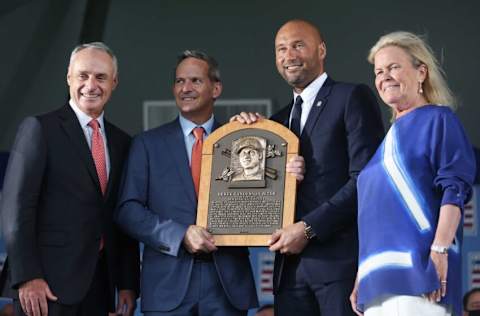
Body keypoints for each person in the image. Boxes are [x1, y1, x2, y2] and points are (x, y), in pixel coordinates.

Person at [232, 19, 384, 316]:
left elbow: (366, 180)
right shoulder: (274, 123)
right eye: (281, 49)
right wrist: (242, 135)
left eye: (298, 45)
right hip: (289, 274)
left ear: (322, 49)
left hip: (340, 268)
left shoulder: (351, 97)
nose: (289, 55)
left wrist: (309, 228)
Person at [115, 50, 260, 316]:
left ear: (216, 88)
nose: (186, 88)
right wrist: (180, 234)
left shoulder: (240, 141)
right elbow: (128, 211)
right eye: (180, 81)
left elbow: (265, 196)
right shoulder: (147, 144)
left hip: (227, 286)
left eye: (195, 81)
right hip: (167, 286)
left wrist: (259, 133)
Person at [0, 42, 140, 316]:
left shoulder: (122, 142)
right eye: (83, 75)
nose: (91, 85)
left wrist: (127, 283)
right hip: (45, 288)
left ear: (114, 82)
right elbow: (16, 208)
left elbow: (121, 217)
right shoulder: (39, 129)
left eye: (100, 77)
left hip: (100, 287)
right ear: (68, 78)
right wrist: (27, 277)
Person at [349, 31, 476, 316]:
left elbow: (454, 189)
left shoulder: (439, 119)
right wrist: (361, 274)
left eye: (394, 67)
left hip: (420, 272)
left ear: (421, 73)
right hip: (375, 282)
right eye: (379, 71)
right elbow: (377, 216)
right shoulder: (386, 142)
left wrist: (440, 250)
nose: (385, 76)